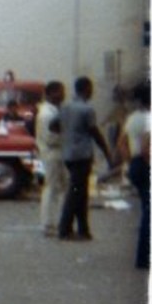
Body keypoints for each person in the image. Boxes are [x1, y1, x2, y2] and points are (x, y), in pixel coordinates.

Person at [56, 75, 118, 242]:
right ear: (86, 89)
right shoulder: (87, 109)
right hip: (82, 155)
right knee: (76, 192)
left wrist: (67, 133)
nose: (92, 93)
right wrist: (107, 152)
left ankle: (83, 229)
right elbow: (95, 133)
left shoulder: (64, 107)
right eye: (91, 89)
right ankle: (65, 228)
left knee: (81, 192)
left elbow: (53, 125)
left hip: (68, 155)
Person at [118, 81, 151, 270]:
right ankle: (145, 257)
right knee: (151, 213)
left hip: (136, 165)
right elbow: (149, 147)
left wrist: (130, 163)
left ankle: (143, 256)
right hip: (148, 165)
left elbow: (121, 143)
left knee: (147, 209)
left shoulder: (133, 118)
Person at [34, 80, 66, 237]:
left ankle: (57, 221)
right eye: (60, 91)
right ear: (51, 93)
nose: (63, 95)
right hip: (52, 152)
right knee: (51, 188)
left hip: (55, 153)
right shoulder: (47, 114)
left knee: (58, 188)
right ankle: (47, 223)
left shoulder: (53, 111)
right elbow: (51, 138)